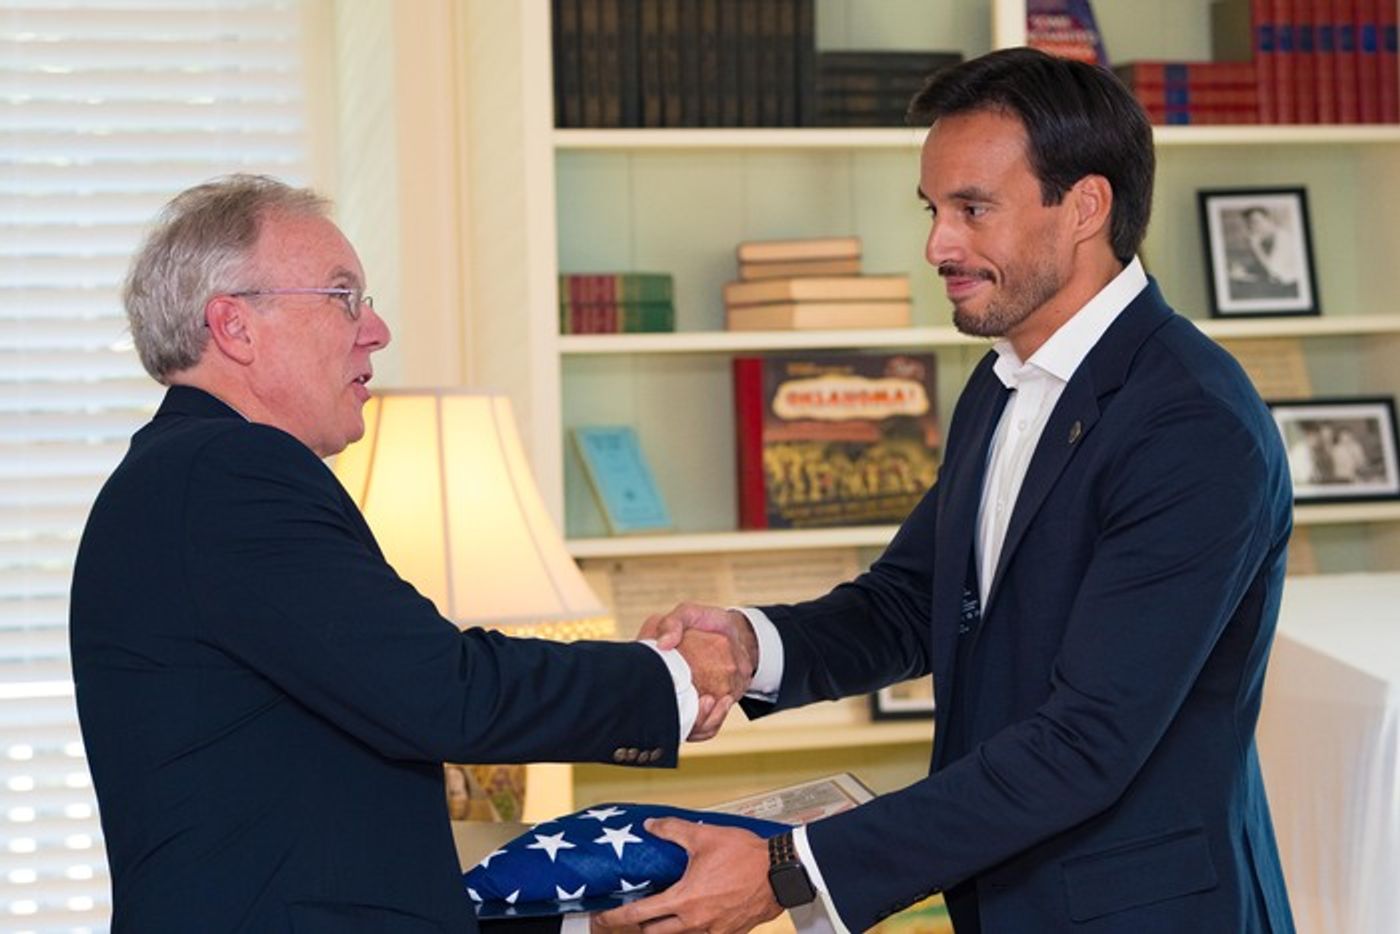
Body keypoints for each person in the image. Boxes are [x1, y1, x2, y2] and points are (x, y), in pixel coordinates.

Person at [598, 47, 1296, 934]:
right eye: (933, 210)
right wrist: (749, 644)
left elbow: (1086, 744)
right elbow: (915, 601)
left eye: (973, 209)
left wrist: (790, 870)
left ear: (1086, 206)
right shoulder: (1001, 380)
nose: (937, 244)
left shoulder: (1193, 424)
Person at [68, 175, 747, 933]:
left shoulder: (190, 475)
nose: (377, 329)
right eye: (343, 297)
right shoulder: (229, 474)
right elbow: (442, 693)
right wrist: (673, 676)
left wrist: (576, 924)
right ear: (235, 327)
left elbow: (327, 828)